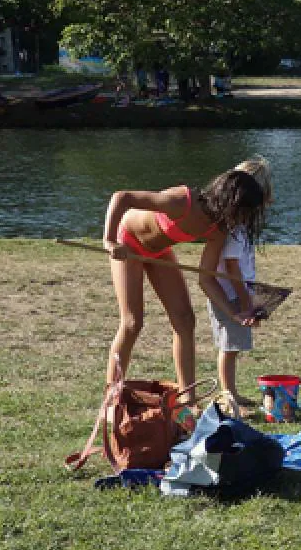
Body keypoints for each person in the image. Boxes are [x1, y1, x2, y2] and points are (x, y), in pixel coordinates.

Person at [101, 164, 269, 397]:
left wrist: (234, 313)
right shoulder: (182, 201)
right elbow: (123, 197)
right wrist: (110, 241)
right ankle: (112, 397)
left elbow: (206, 279)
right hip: (128, 243)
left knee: (185, 320)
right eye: (244, 213)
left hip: (158, 252)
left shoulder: (218, 230)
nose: (244, 220)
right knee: (132, 323)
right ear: (232, 203)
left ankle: (187, 398)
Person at [206, 157, 274, 408]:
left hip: (238, 292)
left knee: (233, 346)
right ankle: (228, 395)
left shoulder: (241, 225)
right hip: (229, 295)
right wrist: (245, 301)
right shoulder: (234, 228)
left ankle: (232, 391)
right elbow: (232, 267)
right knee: (229, 346)